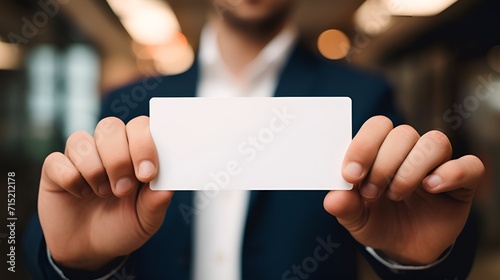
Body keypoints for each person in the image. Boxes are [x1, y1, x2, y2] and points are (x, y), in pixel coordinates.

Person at [24, 0, 484, 279]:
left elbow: (426, 224)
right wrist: (73, 262)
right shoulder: (129, 103)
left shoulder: (362, 95)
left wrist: (421, 259)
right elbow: (51, 235)